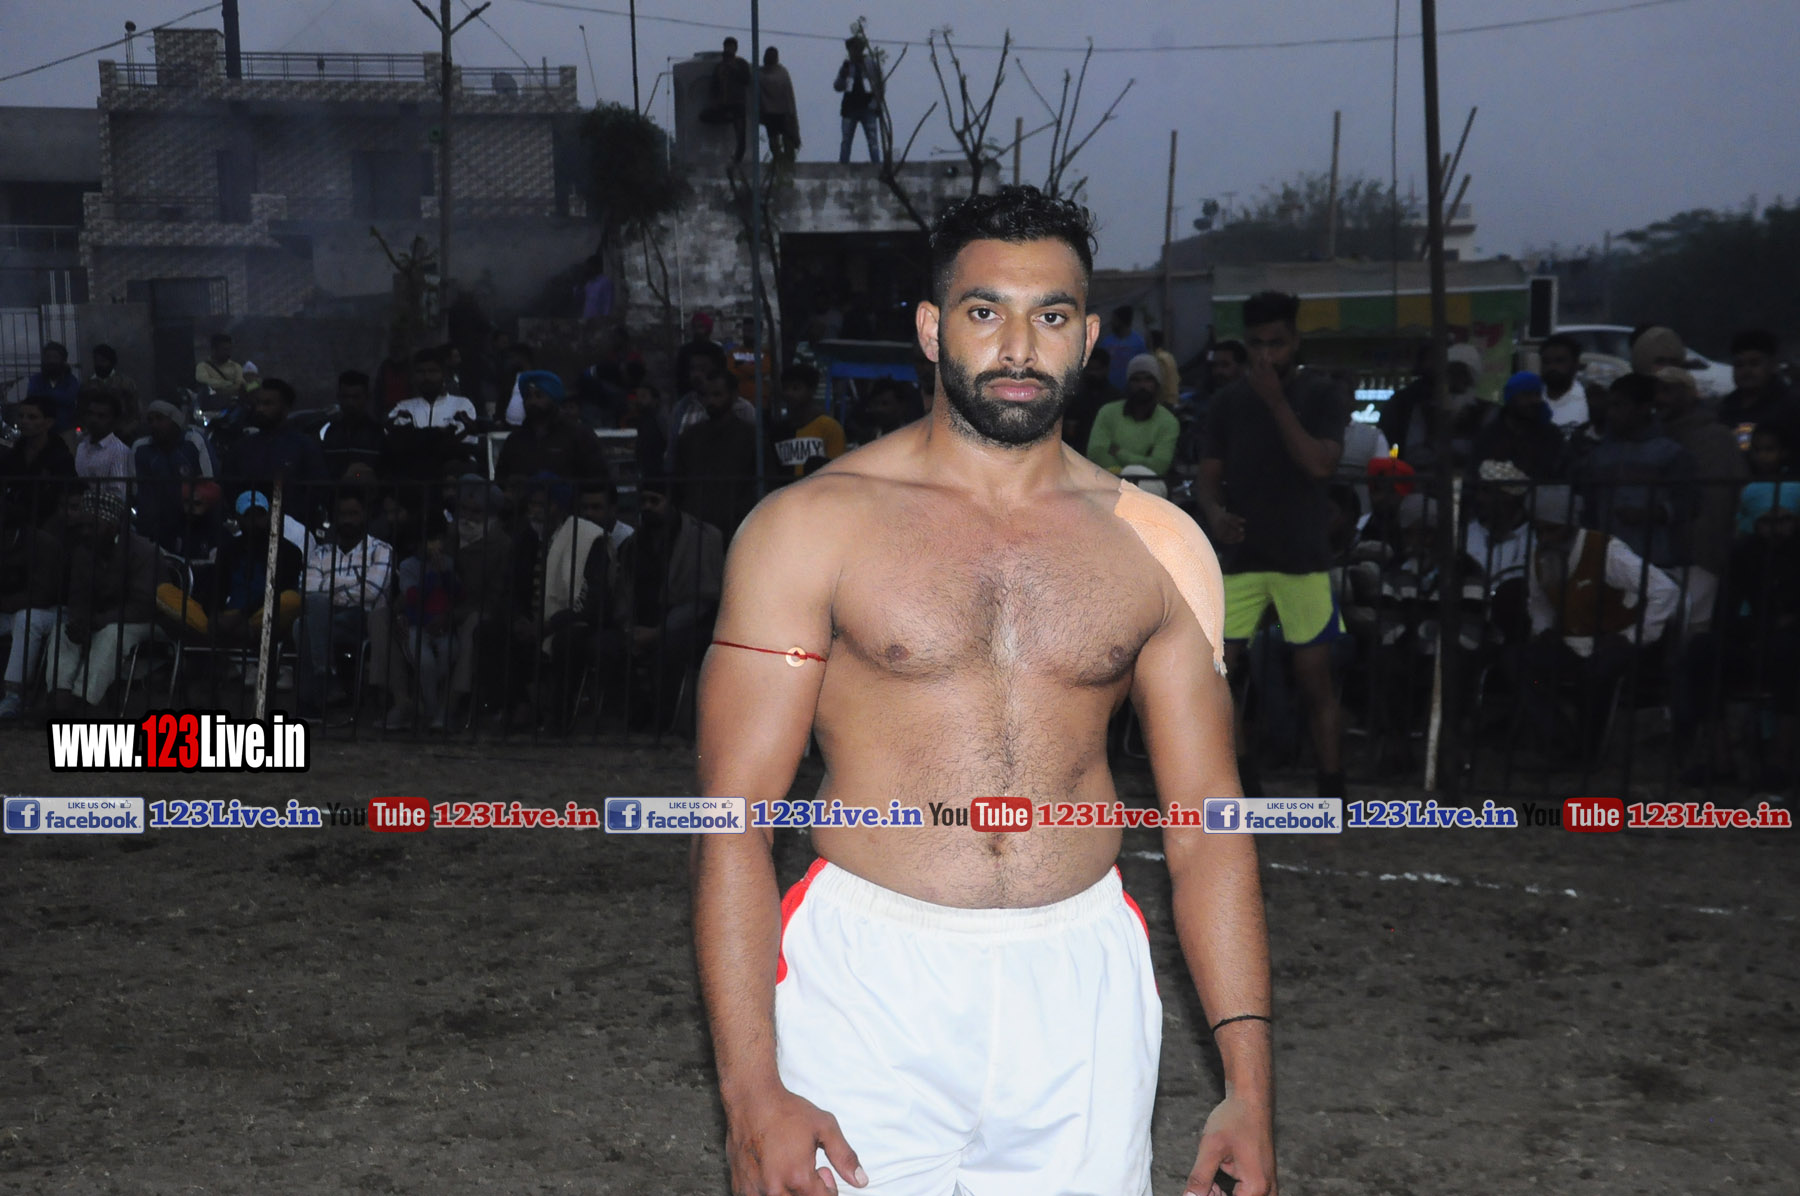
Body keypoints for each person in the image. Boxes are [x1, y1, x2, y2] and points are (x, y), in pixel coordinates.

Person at [694, 185, 1271, 1196]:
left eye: (1050, 315)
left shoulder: (1160, 547)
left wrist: (1249, 1087)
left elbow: (1209, 827)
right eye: (983, 310)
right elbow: (733, 819)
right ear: (931, 329)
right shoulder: (810, 526)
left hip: (1081, 981)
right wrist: (750, 1095)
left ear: (1087, 337)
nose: (1017, 346)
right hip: (867, 977)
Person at [1199, 289, 1349, 799]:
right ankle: (1246, 786)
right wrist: (1215, 514)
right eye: (1257, 344)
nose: (1266, 355)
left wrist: (1276, 401)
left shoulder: (1322, 394)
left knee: (1314, 680)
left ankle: (1331, 789)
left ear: (1295, 342)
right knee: (1216, 676)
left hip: (1302, 557)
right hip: (1243, 557)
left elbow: (1320, 464)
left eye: (1276, 344)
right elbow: (1208, 476)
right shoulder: (1227, 403)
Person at [1520, 484, 1679, 759]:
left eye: (1552, 530)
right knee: (1520, 665)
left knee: (1598, 673)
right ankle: (1559, 736)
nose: (1545, 538)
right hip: (1570, 644)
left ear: (1570, 525)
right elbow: (1539, 601)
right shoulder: (1540, 555)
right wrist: (1544, 629)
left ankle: (1587, 749)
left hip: (1612, 643)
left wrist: (1632, 636)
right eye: (1539, 531)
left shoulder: (1605, 550)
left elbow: (1665, 590)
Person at [46, 486, 161, 714]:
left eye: (93, 526)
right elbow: (77, 596)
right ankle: (60, 697)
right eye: (83, 526)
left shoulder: (143, 552)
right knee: (63, 630)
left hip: (146, 621)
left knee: (112, 634)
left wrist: (97, 620)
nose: (86, 532)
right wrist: (80, 620)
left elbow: (143, 606)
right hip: (100, 619)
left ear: (113, 525)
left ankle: (84, 701)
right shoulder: (84, 552)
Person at [1655, 365, 1747, 630]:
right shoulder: (1651, 438)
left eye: (1667, 390)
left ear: (1687, 393)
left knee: (1694, 629)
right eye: (1656, 391)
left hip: (1703, 553)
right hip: (1658, 551)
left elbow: (1731, 496)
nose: (1660, 398)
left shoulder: (1717, 438)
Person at [1574, 372, 1694, 571]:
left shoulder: (1671, 454)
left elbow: (1689, 503)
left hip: (1657, 561)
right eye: (1610, 406)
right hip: (1608, 560)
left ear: (1644, 408)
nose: (1611, 413)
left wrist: (1651, 514)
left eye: (1620, 405)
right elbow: (1589, 509)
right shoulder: (1599, 456)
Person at [294, 490, 392, 720]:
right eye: (343, 514)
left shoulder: (381, 549)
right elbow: (306, 588)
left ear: (364, 515)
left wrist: (329, 586)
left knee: (308, 623)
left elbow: (371, 592)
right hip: (327, 616)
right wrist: (352, 584)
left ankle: (315, 697)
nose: (347, 520)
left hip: (362, 618)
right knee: (304, 623)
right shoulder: (321, 552)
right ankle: (327, 679)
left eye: (353, 514)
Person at [0, 489, 79, 720]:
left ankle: (14, 695)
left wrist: (5, 602)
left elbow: (44, 595)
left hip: (55, 611)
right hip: (10, 610)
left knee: (27, 619)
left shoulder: (42, 543)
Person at [385, 513, 461, 731]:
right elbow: (412, 597)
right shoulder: (409, 566)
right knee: (424, 661)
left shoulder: (449, 563)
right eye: (430, 540)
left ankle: (430, 706)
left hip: (443, 627)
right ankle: (433, 711)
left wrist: (445, 573)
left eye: (439, 539)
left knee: (449, 654)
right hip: (416, 625)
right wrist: (433, 575)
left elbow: (457, 594)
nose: (435, 544)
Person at [224, 377, 329, 522]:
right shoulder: (242, 447)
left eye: (268, 404)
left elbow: (317, 490)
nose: (260, 409)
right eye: (258, 403)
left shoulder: (304, 446)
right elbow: (229, 486)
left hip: (293, 528)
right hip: (249, 527)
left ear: (285, 408)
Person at [674, 369, 762, 540]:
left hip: (737, 524)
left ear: (734, 395)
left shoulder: (751, 437)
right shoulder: (690, 437)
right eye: (706, 395)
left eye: (717, 395)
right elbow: (679, 482)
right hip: (697, 525)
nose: (710, 401)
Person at [494, 370, 612, 486]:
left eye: (539, 395)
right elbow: (500, 483)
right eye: (528, 396)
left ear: (553, 399)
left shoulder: (580, 436)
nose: (532, 401)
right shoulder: (515, 440)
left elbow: (598, 482)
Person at [130, 401, 213, 551]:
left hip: (191, 523)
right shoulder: (141, 449)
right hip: (153, 526)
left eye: (159, 418)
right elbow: (136, 489)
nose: (154, 424)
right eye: (150, 420)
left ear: (175, 420)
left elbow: (207, 482)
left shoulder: (192, 442)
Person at [388, 346, 479, 481]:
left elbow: (461, 445)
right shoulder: (403, 407)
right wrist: (440, 433)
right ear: (413, 376)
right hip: (413, 474)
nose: (426, 377)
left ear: (443, 373)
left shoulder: (462, 405)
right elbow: (398, 442)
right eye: (421, 372)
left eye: (432, 371)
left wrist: (421, 439)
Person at [1085, 353, 1180, 478]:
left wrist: (1118, 452)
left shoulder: (1168, 421)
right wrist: (1122, 476)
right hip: (1108, 482)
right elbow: (1096, 453)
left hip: (1149, 486)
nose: (1142, 385)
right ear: (1128, 383)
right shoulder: (1108, 412)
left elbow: (1159, 466)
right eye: (1136, 380)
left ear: (1157, 383)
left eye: (1148, 379)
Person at [1468, 371, 1568, 481]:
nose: (1534, 400)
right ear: (1511, 399)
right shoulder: (1489, 437)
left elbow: (1561, 475)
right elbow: (1475, 477)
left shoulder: (1551, 435)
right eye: (1527, 395)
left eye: (1537, 394)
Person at [1717, 328, 1800, 453]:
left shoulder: (1792, 407)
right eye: (1739, 365)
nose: (1746, 371)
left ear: (1773, 365)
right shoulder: (1724, 409)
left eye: (1754, 363)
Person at [1, 394, 76, 529]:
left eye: (32, 417)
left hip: (47, 524)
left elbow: (66, 494)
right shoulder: (13, 455)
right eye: (21, 416)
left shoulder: (60, 458)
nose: (24, 421)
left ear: (49, 422)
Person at [773, 364, 845, 477]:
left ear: (811, 390)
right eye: (785, 388)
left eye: (796, 388)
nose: (789, 394)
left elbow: (837, 470)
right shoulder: (778, 430)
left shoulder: (829, 427)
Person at [320, 370, 388, 478]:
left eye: (356, 397)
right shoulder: (330, 432)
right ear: (339, 397)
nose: (350, 403)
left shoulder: (378, 434)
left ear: (367, 397)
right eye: (345, 397)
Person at [73, 390, 133, 502]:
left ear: (114, 421)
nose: (93, 420)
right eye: (90, 414)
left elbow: (118, 496)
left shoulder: (119, 451)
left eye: (101, 416)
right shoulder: (81, 447)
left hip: (104, 511)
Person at [704, 37, 753, 164]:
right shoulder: (720, 67)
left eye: (731, 47)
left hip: (738, 105)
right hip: (723, 105)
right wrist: (715, 102)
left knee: (741, 137)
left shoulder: (741, 63)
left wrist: (734, 69)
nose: (729, 49)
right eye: (727, 47)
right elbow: (714, 87)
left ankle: (736, 162)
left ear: (735, 49)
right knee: (705, 116)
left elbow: (746, 80)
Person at [833, 35, 881, 164]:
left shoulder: (870, 64)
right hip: (850, 108)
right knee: (846, 141)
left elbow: (880, 85)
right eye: (851, 50)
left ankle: (876, 166)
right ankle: (843, 167)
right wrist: (843, 75)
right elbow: (837, 86)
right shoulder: (847, 66)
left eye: (855, 49)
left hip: (868, 108)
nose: (853, 53)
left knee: (873, 141)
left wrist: (876, 103)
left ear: (860, 50)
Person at [24, 341, 82, 433]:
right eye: (48, 357)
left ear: (63, 360)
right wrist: (57, 397)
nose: (51, 361)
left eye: (55, 357)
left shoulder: (71, 380)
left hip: (65, 430)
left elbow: (68, 398)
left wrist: (45, 395)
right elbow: (32, 398)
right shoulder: (35, 379)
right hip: (40, 430)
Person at [1537, 332, 1590, 430]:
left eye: (1559, 361)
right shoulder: (1532, 400)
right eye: (1546, 362)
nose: (1552, 367)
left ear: (1575, 364)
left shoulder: (1586, 400)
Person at [87, 344, 140, 440]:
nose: (99, 365)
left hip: (121, 435)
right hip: (96, 436)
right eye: (96, 361)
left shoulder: (126, 384)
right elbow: (82, 412)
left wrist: (126, 431)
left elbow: (135, 413)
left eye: (103, 361)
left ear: (111, 362)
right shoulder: (88, 385)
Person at [759, 47, 801, 162]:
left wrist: (791, 112)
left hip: (784, 112)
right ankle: (778, 161)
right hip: (769, 112)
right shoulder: (759, 73)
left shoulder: (782, 73)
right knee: (773, 139)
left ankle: (788, 161)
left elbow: (788, 94)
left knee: (788, 139)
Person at [1095, 304, 1147, 391]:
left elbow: (1143, 366)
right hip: (1109, 389)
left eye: (1114, 319)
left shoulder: (1138, 342)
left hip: (1131, 389)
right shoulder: (1106, 342)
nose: (1112, 322)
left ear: (1122, 321)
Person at [195, 332, 246, 403]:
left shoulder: (236, 367)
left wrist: (256, 383)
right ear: (214, 350)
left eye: (229, 349)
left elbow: (241, 385)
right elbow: (205, 382)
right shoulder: (203, 367)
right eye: (225, 349)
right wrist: (230, 384)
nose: (228, 353)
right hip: (211, 405)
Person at [574, 254, 614, 323]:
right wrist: (580, 284)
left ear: (595, 267)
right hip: (587, 321)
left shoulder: (605, 282)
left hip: (599, 322)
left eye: (589, 266)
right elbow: (579, 299)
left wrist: (605, 321)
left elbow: (608, 304)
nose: (587, 269)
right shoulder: (588, 283)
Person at [1148, 329, 1181, 408]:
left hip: (1164, 401)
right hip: (1173, 398)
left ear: (1151, 342)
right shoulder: (1168, 356)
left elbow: (1160, 382)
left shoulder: (1157, 359)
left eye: (1147, 339)